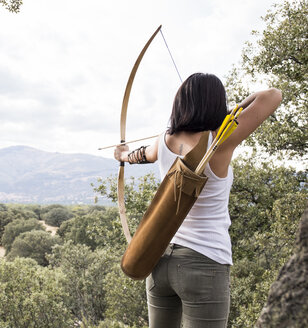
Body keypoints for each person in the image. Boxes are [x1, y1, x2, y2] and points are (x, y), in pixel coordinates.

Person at [114, 73, 282, 328]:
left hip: (160, 260)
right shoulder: (220, 141)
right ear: (217, 104)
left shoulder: (165, 139)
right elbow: (273, 96)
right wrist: (232, 112)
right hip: (205, 263)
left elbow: (142, 155)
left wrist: (123, 155)